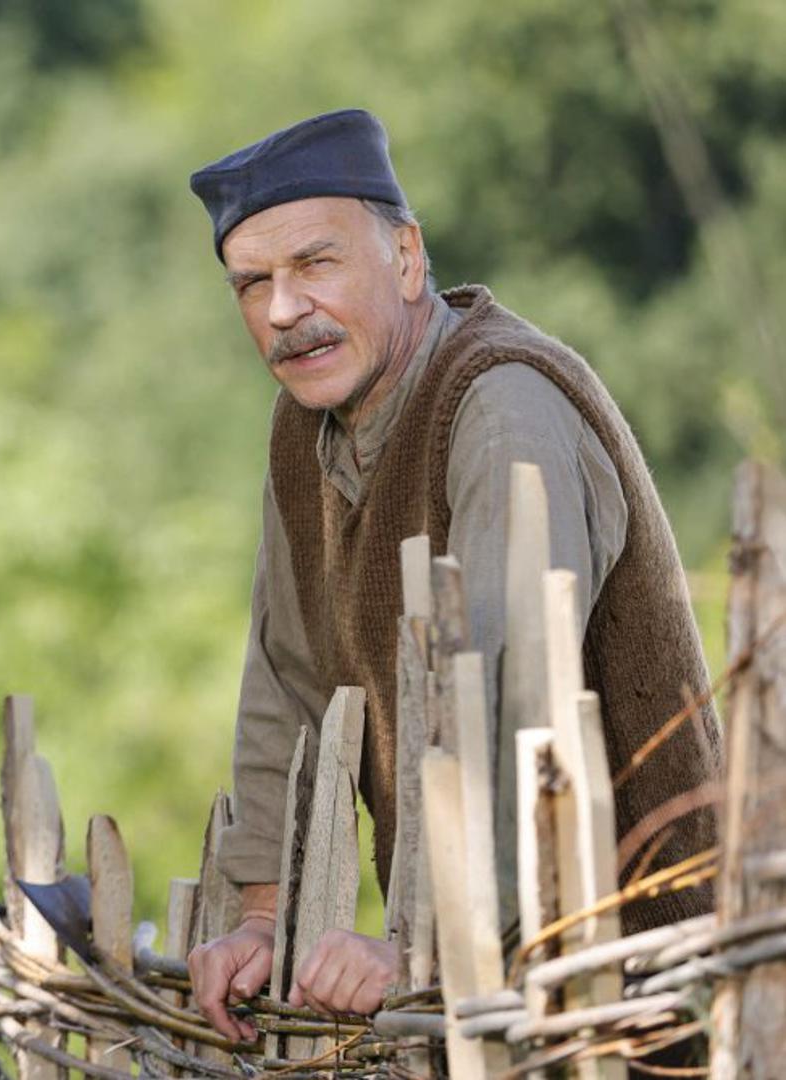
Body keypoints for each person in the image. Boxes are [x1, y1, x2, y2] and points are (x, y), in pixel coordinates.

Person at [180, 109, 721, 1042]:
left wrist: (429, 945)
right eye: (252, 284)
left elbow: (513, 704)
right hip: (484, 988)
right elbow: (284, 680)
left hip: (635, 981)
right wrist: (263, 917)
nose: (282, 310)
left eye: (314, 264)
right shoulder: (304, 430)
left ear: (405, 257)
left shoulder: (502, 408)